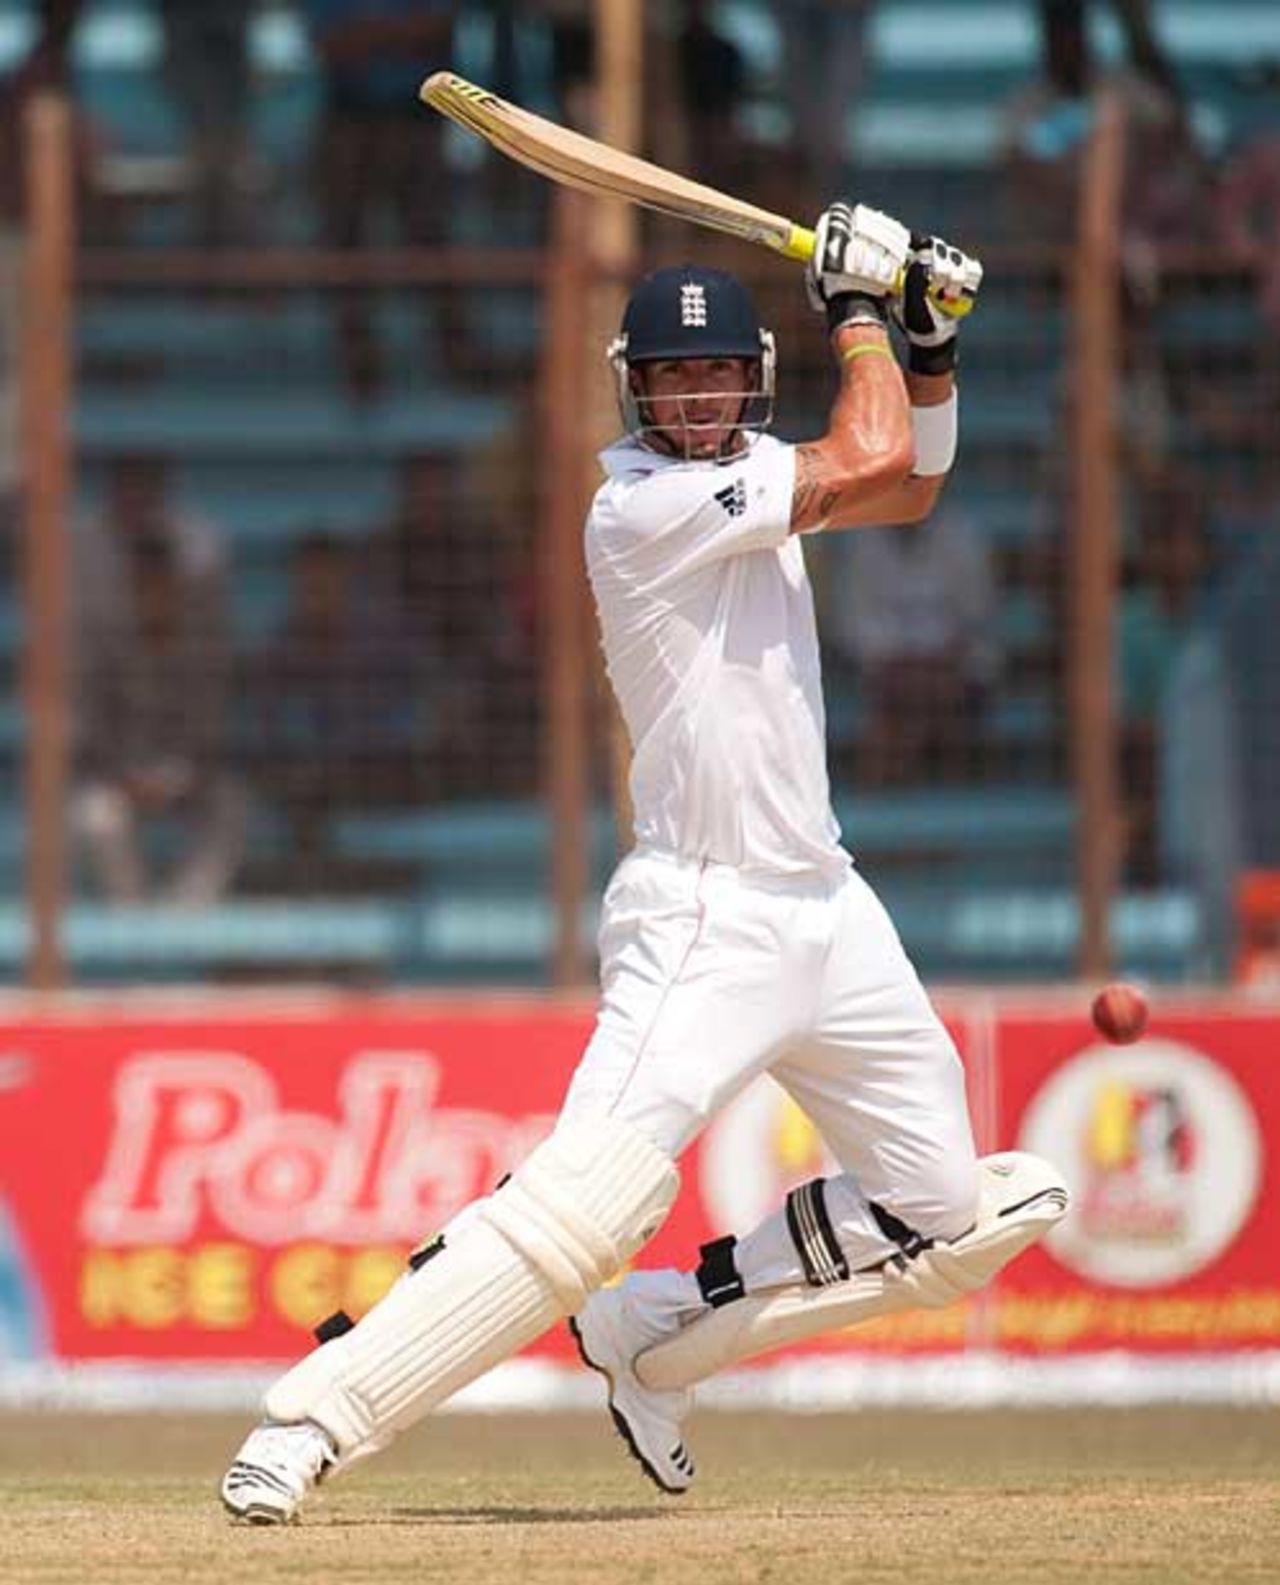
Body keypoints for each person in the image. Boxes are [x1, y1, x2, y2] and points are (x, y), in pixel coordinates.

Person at [220, 203, 1068, 1522]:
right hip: (704, 914)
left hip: (827, 908)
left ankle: (656, 1334)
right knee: (591, 1200)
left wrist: (931, 342)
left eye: (718, 372)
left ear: (750, 380)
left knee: (953, 1214)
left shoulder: (768, 478)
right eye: (672, 378)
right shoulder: (645, 508)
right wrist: (861, 315)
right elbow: (874, 443)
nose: (696, 395)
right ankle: (309, 1424)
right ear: (637, 392)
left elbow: (910, 481)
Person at [70, 456, 247, 905]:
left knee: (233, 808)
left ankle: (183, 916)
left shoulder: (203, 647)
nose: (153, 599)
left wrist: (181, 775)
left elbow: (212, 724)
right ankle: (132, 915)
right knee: (95, 817)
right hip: (122, 778)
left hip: (187, 778)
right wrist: (126, 778)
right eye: (142, 588)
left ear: (177, 588)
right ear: (129, 590)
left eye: (161, 587)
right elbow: (90, 729)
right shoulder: (107, 645)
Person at [824, 502, 1000, 785]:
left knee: (942, 691)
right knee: (905, 696)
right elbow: (853, 624)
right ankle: (895, 783)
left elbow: (977, 615)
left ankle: (945, 781)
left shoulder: (962, 537)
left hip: (950, 667)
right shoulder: (863, 543)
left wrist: (935, 658)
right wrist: (903, 660)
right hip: (889, 672)